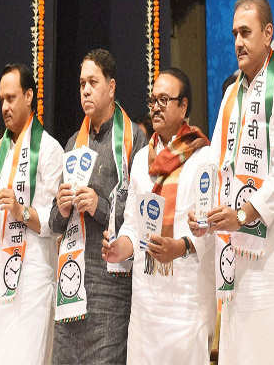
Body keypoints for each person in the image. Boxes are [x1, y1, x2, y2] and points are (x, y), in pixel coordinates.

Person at [196, 0, 274, 364]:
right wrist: (203, 212)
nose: (239, 43)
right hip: (236, 265)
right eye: (234, 35)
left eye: (246, 32)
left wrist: (242, 215)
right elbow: (216, 165)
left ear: (268, 34)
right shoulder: (231, 95)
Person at [103, 68, 215, 364]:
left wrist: (180, 247)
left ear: (184, 106)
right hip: (146, 299)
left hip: (185, 299)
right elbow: (132, 223)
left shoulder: (203, 157)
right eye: (153, 100)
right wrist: (119, 248)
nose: (156, 107)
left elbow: (211, 226)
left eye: (165, 99)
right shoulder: (141, 159)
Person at [50, 49, 146, 364]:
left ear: (112, 86)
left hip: (111, 288)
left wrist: (98, 205)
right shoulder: (71, 144)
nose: (86, 90)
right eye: (81, 84)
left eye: (93, 82)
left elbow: (141, 216)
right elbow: (53, 223)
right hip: (71, 286)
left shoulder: (136, 139)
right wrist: (63, 209)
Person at [0, 64, 63, 365]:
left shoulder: (49, 150)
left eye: (11, 98)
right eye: (1, 100)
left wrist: (21, 210)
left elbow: (54, 222)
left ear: (29, 96)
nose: (5, 107)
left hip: (30, 283)